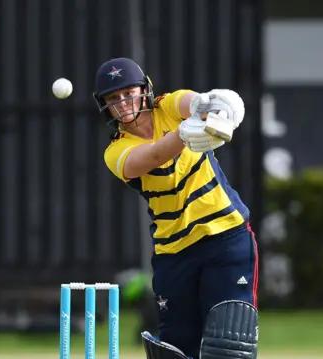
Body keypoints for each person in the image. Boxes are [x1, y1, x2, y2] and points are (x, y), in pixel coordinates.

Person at [94, 57, 259, 359]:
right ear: (105, 105)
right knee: (177, 349)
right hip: (174, 252)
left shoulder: (168, 106)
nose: (124, 102)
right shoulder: (115, 150)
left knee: (229, 343)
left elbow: (194, 102)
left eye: (129, 92)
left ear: (144, 90)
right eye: (114, 98)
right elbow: (153, 156)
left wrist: (215, 106)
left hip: (225, 236)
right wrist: (185, 134)